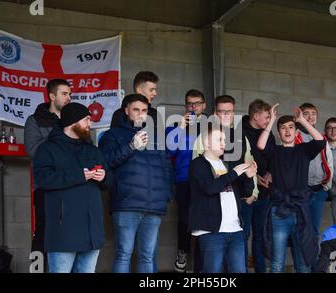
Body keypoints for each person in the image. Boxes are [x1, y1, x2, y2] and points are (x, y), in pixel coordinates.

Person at [33, 103, 111, 273]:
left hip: (92, 231)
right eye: (87, 120)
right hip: (64, 232)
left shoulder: (93, 150)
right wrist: (80, 175)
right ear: (73, 122)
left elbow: (110, 181)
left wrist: (103, 177)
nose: (90, 124)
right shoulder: (47, 149)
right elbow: (43, 179)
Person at [100, 94, 172, 273]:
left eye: (145, 111)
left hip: (153, 206)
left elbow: (167, 168)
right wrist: (131, 146)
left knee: (147, 256)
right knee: (124, 253)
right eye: (136, 110)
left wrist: (167, 194)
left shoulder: (156, 137)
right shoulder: (113, 135)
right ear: (126, 111)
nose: (141, 114)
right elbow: (105, 162)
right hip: (127, 205)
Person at [192, 95, 259, 272]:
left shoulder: (230, 157)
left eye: (229, 111)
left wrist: (249, 181)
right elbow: (207, 186)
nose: (224, 144)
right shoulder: (200, 159)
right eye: (219, 140)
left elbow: (244, 186)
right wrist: (235, 173)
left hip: (235, 226)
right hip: (211, 227)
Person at [257, 105, 326, 273]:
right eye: (282, 128)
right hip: (279, 211)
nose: (287, 131)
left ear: (296, 132)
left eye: (290, 127)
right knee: (277, 263)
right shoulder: (274, 151)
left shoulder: (303, 150)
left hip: (301, 210)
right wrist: (272, 120)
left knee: (303, 264)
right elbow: (260, 145)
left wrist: (302, 121)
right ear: (279, 133)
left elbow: (320, 141)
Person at [24, 79, 71, 258]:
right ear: (52, 96)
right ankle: (37, 270)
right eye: (64, 94)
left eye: (70, 94)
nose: (69, 98)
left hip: (69, 186)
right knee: (42, 234)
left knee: (68, 235)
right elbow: (33, 149)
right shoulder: (35, 120)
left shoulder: (71, 120)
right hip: (45, 187)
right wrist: (61, 147)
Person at [165, 89, 206, 273]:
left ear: (203, 105)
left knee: (203, 222)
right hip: (183, 179)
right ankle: (182, 252)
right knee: (184, 219)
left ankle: (200, 263)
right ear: (185, 106)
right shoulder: (175, 125)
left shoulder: (211, 126)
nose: (193, 107)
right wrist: (181, 127)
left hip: (205, 180)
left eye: (197, 103)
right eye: (190, 103)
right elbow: (168, 151)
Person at [241, 99, 275, 272]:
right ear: (255, 116)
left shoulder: (269, 134)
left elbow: (274, 159)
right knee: (243, 234)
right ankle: (241, 269)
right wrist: (255, 176)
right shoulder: (239, 131)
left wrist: (270, 173)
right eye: (267, 116)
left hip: (264, 192)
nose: (269, 120)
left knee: (260, 236)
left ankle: (261, 270)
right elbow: (239, 160)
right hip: (245, 192)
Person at [295, 103, 333, 239]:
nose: (310, 117)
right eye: (306, 114)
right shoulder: (294, 135)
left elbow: (329, 162)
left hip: (318, 191)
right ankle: (301, 261)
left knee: (315, 230)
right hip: (301, 190)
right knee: (300, 230)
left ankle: (312, 261)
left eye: (313, 114)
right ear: (299, 116)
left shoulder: (321, 137)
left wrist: (326, 187)